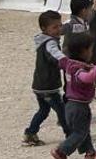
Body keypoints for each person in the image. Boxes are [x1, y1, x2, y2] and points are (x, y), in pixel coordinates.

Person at [22, 11, 68, 146]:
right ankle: (72, 135)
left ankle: (30, 133)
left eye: (60, 26)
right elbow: (55, 56)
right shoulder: (50, 43)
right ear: (44, 28)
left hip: (39, 84)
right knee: (62, 111)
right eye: (55, 27)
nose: (59, 29)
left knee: (43, 110)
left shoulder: (42, 41)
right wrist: (66, 62)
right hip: (48, 86)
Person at [50, 32, 95, 159]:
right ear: (84, 51)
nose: (92, 52)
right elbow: (83, 77)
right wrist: (95, 72)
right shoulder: (79, 69)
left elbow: (61, 60)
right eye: (91, 49)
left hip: (70, 104)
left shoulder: (69, 63)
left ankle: (89, 151)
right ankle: (61, 151)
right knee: (80, 132)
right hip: (79, 106)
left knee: (83, 128)